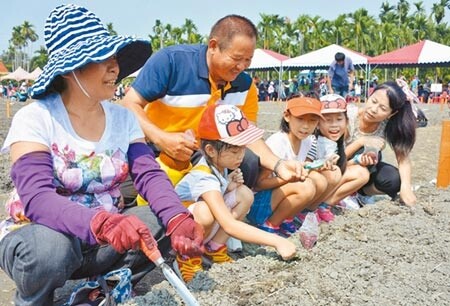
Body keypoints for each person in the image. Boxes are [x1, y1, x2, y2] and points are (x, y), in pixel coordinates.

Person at [0, 5, 204, 305]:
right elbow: (38, 199)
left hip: (104, 238)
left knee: (161, 219)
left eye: (115, 59)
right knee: (49, 252)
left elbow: (148, 175)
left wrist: (177, 218)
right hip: (43, 234)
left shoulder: (123, 119)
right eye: (104, 60)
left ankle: (104, 286)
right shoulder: (35, 118)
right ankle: (37, 298)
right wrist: (103, 223)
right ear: (72, 70)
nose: (115, 68)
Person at [121, 14, 303, 199]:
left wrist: (279, 164)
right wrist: (162, 139)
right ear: (213, 46)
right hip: (155, 145)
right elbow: (129, 103)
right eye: (236, 58)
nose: (241, 66)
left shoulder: (245, 85)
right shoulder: (172, 62)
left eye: (248, 60)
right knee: (127, 196)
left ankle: (223, 212)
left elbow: (247, 136)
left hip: (205, 152)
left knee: (248, 161)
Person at [173, 104, 297, 282]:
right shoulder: (203, 176)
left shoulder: (220, 166)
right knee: (204, 212)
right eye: (234, 150)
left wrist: (228, 186)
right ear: (210, 150)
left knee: (244, 193)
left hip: (199, 229)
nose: (241, 155)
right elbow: (229, 224)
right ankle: (186, 257)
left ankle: (214, 247)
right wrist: (277, 241)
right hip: (180, 235)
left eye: (243, 148)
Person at [246, 96, 341, 235]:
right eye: (300, 119)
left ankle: (291, 217)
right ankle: (270, 224)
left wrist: (319, 166)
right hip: (260, 205)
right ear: (287, 116)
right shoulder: (278, 143)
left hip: (279, 198)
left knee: (326, 176)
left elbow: (305, 166)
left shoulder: (308, 141)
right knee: (306, 186)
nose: (306, 126)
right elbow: (258, 184)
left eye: (312, 121)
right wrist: (290, 178)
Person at [344, 80, 417, 206]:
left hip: (365, 172)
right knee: (365, 148)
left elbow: (403, 159)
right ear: (369, 96)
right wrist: (362, 141)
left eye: (382, 108)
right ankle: (343, 193)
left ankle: (361, 195)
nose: (373, 110)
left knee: (395, 180)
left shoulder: (388, 126)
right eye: (373, 101)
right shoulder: (348, 116)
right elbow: (335, 156)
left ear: (391, 114)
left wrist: (406, 187)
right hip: (340, 166)